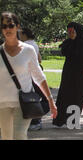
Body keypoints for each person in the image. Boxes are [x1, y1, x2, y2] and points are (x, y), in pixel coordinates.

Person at [0, 12, 57, 140]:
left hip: (23, 103)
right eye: (4, 26)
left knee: (19, 135)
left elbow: (39, 76)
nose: (7, 29)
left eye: (11, 25)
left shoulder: (28, 50)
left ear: (17, 27)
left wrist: (50, 101)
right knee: (6, 137)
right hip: (2, 104)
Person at [52, 22, 83, 128]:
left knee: (78, 96)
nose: (70, 33)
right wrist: (71, 41)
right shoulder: (67, 42)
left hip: (82, 73)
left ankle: (74, 120)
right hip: (69, 73)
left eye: (72, 31)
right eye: (69, 32)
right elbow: (64, 52)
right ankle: (61, 119)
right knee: (65, 96)